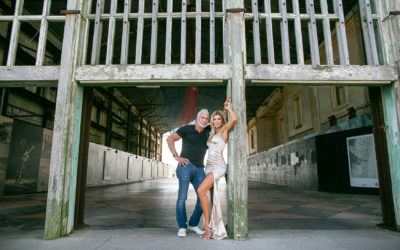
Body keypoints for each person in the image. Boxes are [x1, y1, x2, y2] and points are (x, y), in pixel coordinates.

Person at [166, 109, 211, 237]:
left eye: (206, 118)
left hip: (200, 169)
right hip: (185, 166)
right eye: (202, 117)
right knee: (182, 198)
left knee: (203, 197)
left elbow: (222, 121)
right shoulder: (186, 129)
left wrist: (227, 107)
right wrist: (176, 156)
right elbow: (169, 139)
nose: (204, 120)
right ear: (197, 118)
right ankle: (181, 226)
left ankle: (193, 224)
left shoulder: (208, 130)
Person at [197, 99, 237, 240]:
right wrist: (223, 109)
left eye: (219, 119)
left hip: (218, 166)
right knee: (211, 197)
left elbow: (234, 119)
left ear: (222, 120)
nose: (217, 121)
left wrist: (228, 108)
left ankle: (207, 228)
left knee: (201, 190)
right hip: (208, 166)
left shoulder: (224, 130)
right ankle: (214, 227)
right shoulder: (212, 132)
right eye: (214, 119)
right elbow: (219, 117)